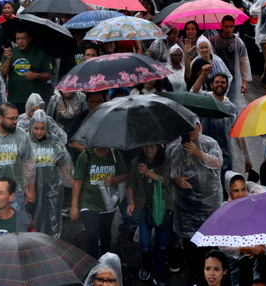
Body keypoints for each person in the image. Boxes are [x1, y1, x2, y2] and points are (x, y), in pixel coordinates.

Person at [168, 119, 223, 286]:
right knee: (191, 247)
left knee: (209, 247)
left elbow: (218, 163)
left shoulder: (210, 143)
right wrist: (176, 180)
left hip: (208, 206)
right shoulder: (174, 149)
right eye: (185, 129)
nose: (189, 133)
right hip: (186, 207)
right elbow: (165, 174)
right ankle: (194, 276)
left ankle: (210, 279)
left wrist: (198, 153)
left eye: (192, 128)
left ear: (199, 127)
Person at [126, 144, 173, 286]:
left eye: (152, 147)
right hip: (144, 207)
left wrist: (147, 172)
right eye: (146, 146)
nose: (149, 150)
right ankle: (146, 266)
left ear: (158, 148)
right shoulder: (136, 162)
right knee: (145, 245)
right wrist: (132, 202)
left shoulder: (165, 161)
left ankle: (159, 274)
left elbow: (164, 180)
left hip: (162, 206)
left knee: (161, 245)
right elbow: (131, 184)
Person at [71, 144, 128, 257]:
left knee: (105, 234)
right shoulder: (85, 156)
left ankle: (106, 265)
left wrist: (113, 179)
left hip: (108, 203)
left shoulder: (114, 155)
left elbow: (125, 175)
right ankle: (91, 267)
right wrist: (74, 205)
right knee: (92, 235)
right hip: (88, 201)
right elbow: (78, 181)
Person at [27, 109, 73, 238]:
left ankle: (50, 244)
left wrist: (73, 186)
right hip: (32, 189)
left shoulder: (54, 142)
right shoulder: (25, 142)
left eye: (42, 128)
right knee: (32, 219)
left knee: (51, 219)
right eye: (36, 128)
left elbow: (64, 165)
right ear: (31, 126)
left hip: (51, 188)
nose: (39, 132)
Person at [0, 29, 54, 113]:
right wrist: (8, 59)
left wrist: (36, 75)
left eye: (23, 38)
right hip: (14, 99)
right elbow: (1, 74)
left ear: (29, 39)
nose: (20, 41)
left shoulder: (39, 53)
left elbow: (50, 75)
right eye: (18, 39)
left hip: (34, 101)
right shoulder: (10, 53)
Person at [209, 16, 250, 109]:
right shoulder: (213, 41)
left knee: (232, 103)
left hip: (234, 79)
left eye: (231, 26)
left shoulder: (239, 43)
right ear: (221, 26)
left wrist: (244, 82)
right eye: (226, 26)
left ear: (234, 27)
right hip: (217, 78)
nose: (229, 29)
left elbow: (243, 62)